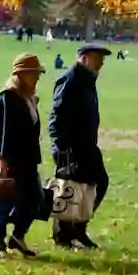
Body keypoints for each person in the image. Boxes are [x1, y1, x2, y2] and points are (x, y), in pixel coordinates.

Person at [0, 53, 47, 259]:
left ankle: (18, 237)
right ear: (21, 74)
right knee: (3, 199)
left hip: (27, 157)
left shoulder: (28, 97)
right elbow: (1, 128)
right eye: (34, 73)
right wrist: (2, 157)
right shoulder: (7, 97)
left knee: (36, 197)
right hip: (7, 155)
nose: (38, 77)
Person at [49, 43, 110, 249]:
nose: (101, 63)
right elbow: (57, 116)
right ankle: (63, 236)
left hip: (87, 144)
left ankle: (79, 228)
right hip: (71, 146)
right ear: (84, 58)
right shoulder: (70, 80)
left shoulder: (87, 80)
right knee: (68, 188)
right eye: (98, 58)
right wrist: (62, 147)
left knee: (96, 183)